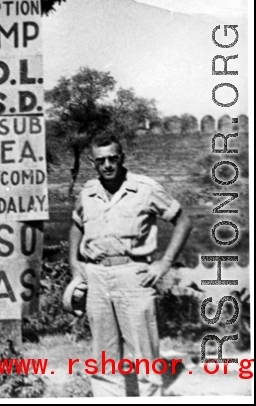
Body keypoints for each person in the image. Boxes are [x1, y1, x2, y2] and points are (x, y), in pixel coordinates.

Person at [68, 134, 192, 397]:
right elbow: (76, 226)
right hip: (97, 277)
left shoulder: (145, 188)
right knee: (103, 358)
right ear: (93, 163)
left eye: (113, 158)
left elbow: (183, 221)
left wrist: (164, 263)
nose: (108, 165)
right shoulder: (88, 191)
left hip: (134, 276)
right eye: (101, 160)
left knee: (145, 357)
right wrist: (74, 263)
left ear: (122, 158)